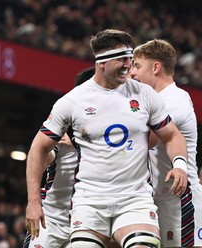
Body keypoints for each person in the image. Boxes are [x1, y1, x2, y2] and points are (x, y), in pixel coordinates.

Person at [25, 29, 189, 248]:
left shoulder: (145, 95)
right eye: (122, 59)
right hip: (90, 201)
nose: (128, 65)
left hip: (134, 200)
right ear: (101, 62)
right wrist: (34, 202)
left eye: (130, 59)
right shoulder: (73, 101)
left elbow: (172, 135)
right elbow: (38, 148)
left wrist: (179, 165)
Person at [130, 39, 202, 247]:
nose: (133, 73)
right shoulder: (157, 100)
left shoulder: (173, 100)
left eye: (137, 66)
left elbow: (144, 141)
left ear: (155, 67)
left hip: (182, 199)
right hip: (162, 197)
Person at [23, 67, 95, 248]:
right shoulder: (62, 128)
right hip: (51, 219)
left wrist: (78, 145)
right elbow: (40, 156)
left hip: (88, 223)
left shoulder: (111, 133)